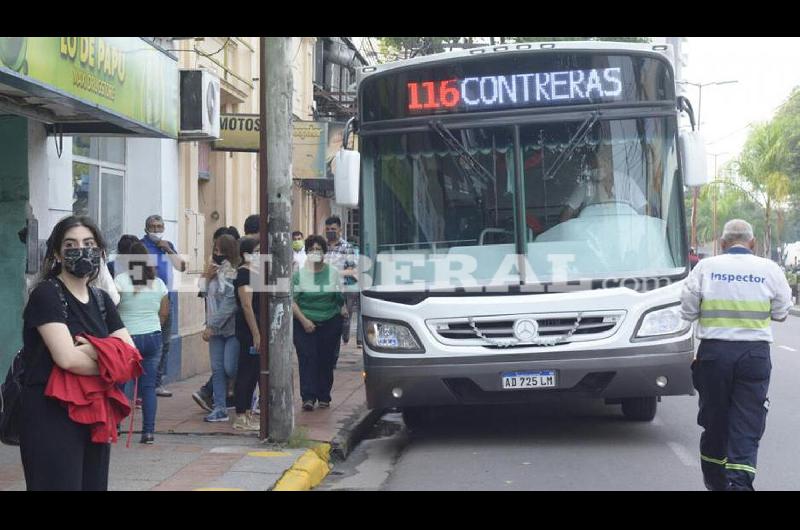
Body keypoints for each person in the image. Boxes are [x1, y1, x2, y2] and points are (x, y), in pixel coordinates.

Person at [19, 215, 136, 490]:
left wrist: (93, 349)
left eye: (88, 243)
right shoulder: (47, 295)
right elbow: (67, 358)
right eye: (70, 244)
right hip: (50, 415)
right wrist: (108, 353)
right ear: (58, 254)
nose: (80, 250)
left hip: (94, 413)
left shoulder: (101, 300)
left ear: (99, 251)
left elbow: (130, 356)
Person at [680, 219, 792, 491]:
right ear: (752, 243)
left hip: (714, 355)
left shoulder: (706, 268)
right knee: (747, 421)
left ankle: (716, 482)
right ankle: (739, 484)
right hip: (754, 356)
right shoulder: (770, 269)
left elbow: (687, 311)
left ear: (722, 243)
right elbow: (781, 312)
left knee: (715, 420)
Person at [114, 242, 170, 444]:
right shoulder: (159, 283)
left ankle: (116, 426)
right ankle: (148, 432)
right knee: (148, 388)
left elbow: (112, 308)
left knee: (119, 384)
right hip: (153, 336)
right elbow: (164, 313)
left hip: (127, 339)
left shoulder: (120, 280)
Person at [293, 235, 347, 411]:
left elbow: (339, 297)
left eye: (319, 249)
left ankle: (324, 395)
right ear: (307, 252)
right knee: (307, 358)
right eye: (311, 250)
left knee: (326, 359)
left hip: (330, 321)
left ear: (324, 253)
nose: (315, 253)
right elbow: (292, 301)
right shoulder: (299, 275)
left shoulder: (332, 273)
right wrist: (304, 320)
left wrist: (343, 308)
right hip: (304, 322)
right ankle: (308, 397)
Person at [192, 226, 239, 412]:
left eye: (220, 250)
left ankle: (245, 395)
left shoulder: (232, 272)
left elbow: (230, 302)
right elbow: (202, 292)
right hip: (214, 328)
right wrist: (207, 275)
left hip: (230, 328)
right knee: (217, 369)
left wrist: (212, 325)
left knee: (230, 367)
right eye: (215, 250)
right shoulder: (213, 269)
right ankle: (219, 407)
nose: (217, 254)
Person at [141, 214, 187, 398]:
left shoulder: (167, 246)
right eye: (153, 227)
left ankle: (158, 382)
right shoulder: (141, 246)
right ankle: (145, 383)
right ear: (146, 229)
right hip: (147, 300)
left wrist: (168, 249)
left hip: (167, 299)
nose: (157, 230)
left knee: (165, 342)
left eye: (160, 226)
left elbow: (181, 267)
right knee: (149, 342)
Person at [560, 147, 647, 222]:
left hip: (624, 235)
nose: (598, 169)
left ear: (609, 163)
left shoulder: (626, 182)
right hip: (593, 234)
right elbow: (568, 212)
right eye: (594, 166)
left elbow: (644, 209)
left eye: (601, 165)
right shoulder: (586, 185)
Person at [231, 237, 262, 431]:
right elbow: (247, 305)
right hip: (249, 330)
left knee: (255, 372)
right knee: (246, 371)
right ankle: (241, 414)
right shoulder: (244, 274)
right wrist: (256, 334)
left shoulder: (256, 273)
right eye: (257, 251)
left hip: (257, 328)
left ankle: (249, 413)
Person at [323, 216, 359, 347]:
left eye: (333, 229)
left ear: (340, 230)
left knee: (342, 319)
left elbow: (352, 270)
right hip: (324, 288)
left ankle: (343, 339)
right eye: (327, 229)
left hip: (342, 289)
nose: (330, 231)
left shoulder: (347, 247)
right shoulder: (322, 246)